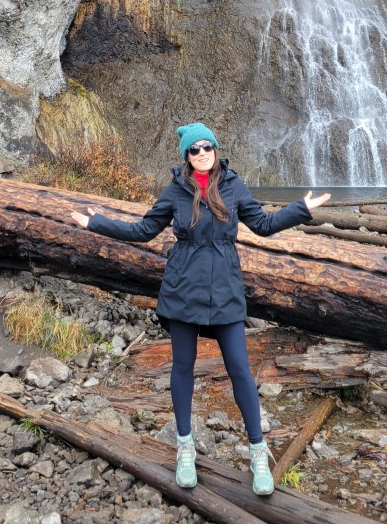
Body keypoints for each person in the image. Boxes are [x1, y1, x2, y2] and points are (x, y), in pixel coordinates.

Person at [70, 121, 331, 495]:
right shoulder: (176, 190)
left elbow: (263, 224)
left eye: (208, 147)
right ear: (186, 156)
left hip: (225, 288)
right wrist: (97, 222)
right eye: (195, 150)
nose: (202, 154)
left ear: (216, 151)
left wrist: (300, 209)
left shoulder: (234, 186)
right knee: (183, 367)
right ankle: (185, 448)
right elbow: (143, 231)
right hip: (182, 288)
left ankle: (258, 452)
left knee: (240, 369)